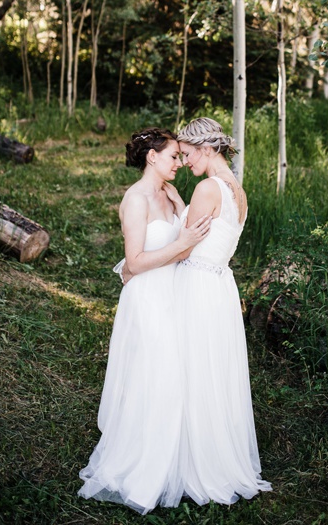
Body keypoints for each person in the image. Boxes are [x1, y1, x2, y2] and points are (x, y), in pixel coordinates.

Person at [79, 128, 212, 514]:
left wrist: (184, 225)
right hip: (148, 297)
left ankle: (176, 461)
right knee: (158, 375)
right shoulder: (135, 200)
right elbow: (134, 263)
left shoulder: (170, 195)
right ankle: (143, 463)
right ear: (151, 157)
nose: (180, 163)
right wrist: (183, 244)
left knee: (176, 375)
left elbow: (185, 237)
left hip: (174, 292)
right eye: (173, 156)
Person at [174, 117, 272, 505]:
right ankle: (215, 453)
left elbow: (184, 247)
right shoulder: (237, 191)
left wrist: (141, 262)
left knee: (190, 368)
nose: (183, 161)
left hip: (196, 285)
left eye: (186, 153)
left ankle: (191, 460)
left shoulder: (206, 188)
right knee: (213, 371)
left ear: (208, 149)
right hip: (220, 285)